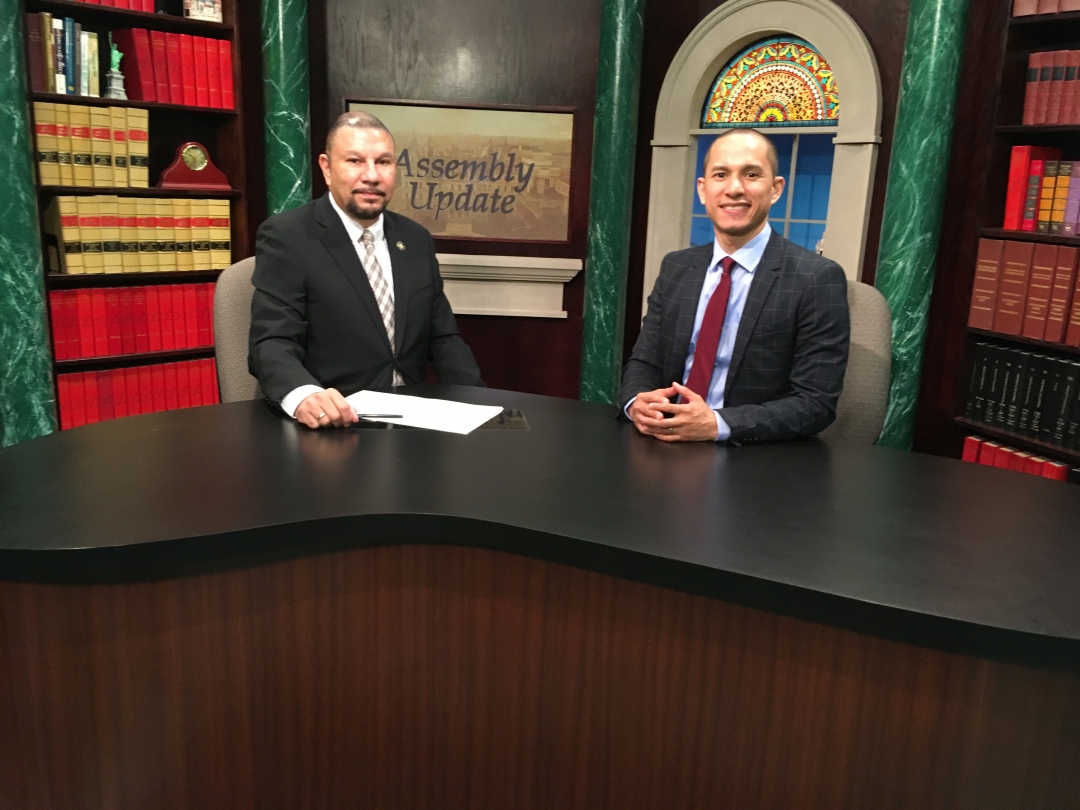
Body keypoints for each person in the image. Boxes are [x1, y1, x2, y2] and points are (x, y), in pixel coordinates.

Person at [249, 111, 482, 429]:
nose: (372, 176)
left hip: (414, 424)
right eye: (355, 161)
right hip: (335, 424)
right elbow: (272, 342)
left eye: (383, 162)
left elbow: (443, 339)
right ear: (326, 168)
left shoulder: (415, 239)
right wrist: (304, 395)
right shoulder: (288, 236)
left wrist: (481, 404)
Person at [620, 128, 849, 444]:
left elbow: (815, 403)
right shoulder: (676, 267)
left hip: (751, 454)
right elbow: (645, 362)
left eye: (751, 174)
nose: (734, 188)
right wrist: (636, 402)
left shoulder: (817, 278)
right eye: (720, 175)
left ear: (775, 189)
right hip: (663, 440)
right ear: (703, 190)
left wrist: (717, 424)